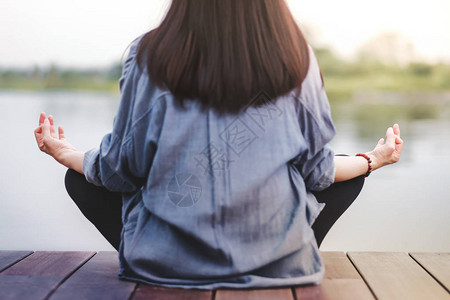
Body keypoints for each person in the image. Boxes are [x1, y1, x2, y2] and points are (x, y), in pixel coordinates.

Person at [34, 0, 403, 289]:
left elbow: (119, 169)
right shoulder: (297, 58)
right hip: (282, 264)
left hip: (164, 265)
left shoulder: (148, 54)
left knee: (80, 177)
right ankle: (281, 257)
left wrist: (65, 154)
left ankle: (165, 260)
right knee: (348, 173)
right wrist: (371, 160)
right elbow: (318, 171)